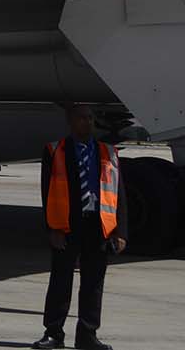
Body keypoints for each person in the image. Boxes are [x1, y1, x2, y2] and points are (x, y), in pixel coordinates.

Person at [31, 104, 128, 350]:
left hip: (98, 224)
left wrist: (121, 231)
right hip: (67, 224)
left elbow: (119, 193)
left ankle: (87, 334)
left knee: (93, 283)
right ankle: (53, 333)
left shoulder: (108, 152)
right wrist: (52, 228)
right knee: (60, 280)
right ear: (70, 121)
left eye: (90, 118)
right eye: (82, 118)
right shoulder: (55, 150)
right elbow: (47, 192)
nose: (88, 122)